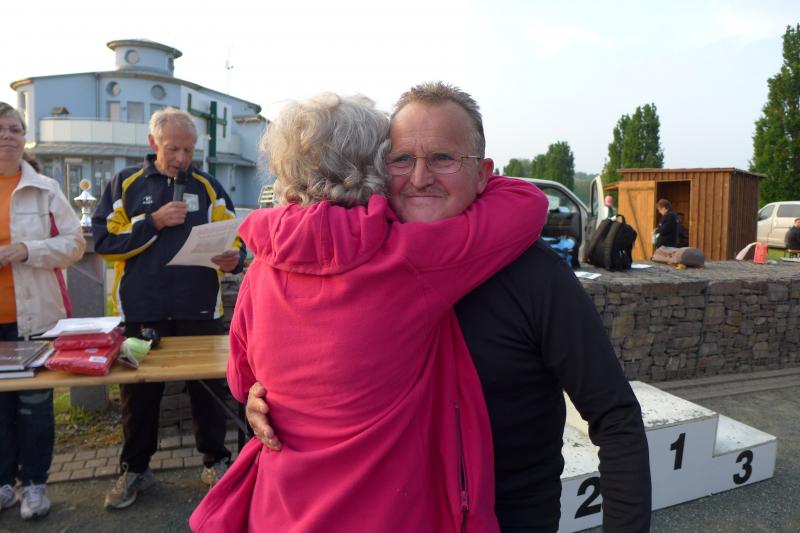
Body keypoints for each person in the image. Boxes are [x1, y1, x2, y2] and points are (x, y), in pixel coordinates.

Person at [246, 82, 652, 532]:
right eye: (401, 159)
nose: (420, 178)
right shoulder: (361, 267)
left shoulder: (535, 275)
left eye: (443, 158)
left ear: (482, 174)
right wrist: (266, 397)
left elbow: (614, 415)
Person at [189, 92, 548, 532]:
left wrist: (264, 398)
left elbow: (241, 382)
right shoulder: (408, 259)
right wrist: (465, 171)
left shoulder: (261, 268)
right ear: (376, 169)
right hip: (383, 514)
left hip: (280, 509)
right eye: (399, 159)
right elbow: (527, 202)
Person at [92, 108, 246, 510]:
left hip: (200, 310)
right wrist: (153, 221)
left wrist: (235, 258)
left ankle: (216, 462)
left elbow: (236, 236)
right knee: (139, 398)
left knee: (210, 394)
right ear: (152, 143)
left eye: (189, 150)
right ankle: (136, 469)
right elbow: (104, 242)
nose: (182, 158)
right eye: (173, 148)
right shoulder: (125, 183)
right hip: (142, 311)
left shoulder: (208, 186)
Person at [0, 102, 86, 520]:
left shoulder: (45, 189)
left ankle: (34, 484)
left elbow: (75, 244)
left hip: (33, 321)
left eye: (14, 129)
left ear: (24, 137)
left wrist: (26, 250)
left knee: (35, 406)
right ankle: (3, 485)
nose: (7, 136)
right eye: (0, 130)